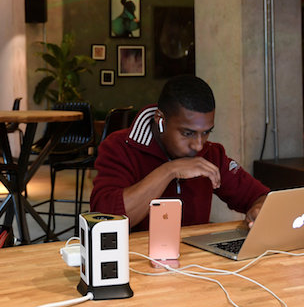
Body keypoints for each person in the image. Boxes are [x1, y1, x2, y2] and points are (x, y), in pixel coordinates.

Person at [90, 75, 269, 232]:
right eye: (188, 133)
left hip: (195, 264)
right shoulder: (120, 146)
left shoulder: (211, 153)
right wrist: (170, 170)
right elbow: (106, 220)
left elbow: (259, 196)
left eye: (206, 132)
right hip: (134, 263)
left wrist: (259, 209)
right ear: (160, 120)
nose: (199, 145)